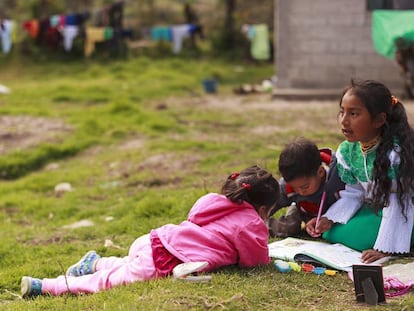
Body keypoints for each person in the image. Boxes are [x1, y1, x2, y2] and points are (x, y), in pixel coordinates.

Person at [21, 165, 280, 298]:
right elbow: (254, 261)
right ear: (263, 207)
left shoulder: (214, 201)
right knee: (107, 283)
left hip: (154, 241)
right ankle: (45, 285)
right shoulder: (251, 223)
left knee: (125, 264)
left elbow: (194, 220)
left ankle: (95, 261)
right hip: (164, 260)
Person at [306, 79, 414, 263]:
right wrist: (329, 218)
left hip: (404, 212)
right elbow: (354, 192)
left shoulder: (395, 155)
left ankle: (400, 241)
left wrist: (384, 247)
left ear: (379, 119)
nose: (344, 121)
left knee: (358, 237)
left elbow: (398, 200)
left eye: (354, 113)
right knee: (330, 232)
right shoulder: (348, 151)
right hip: (376, 208)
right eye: (342, 112)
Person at [268, 137, 344, 237]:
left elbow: (347, 204)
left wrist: (330, 218)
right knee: (289, 226)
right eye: (294, 187)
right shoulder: (287, 185)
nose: (300, 191)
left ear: (320, 172)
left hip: (332, 215)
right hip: (302, 210)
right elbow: (271, 204)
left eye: (304, 187)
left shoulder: (337, 179)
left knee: (338, 231)